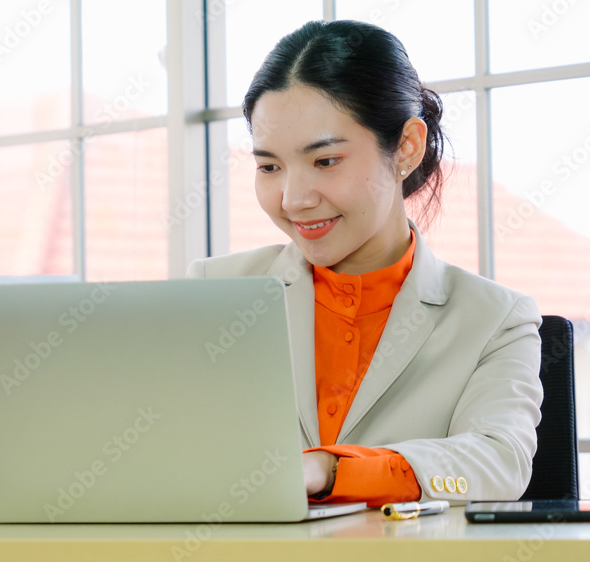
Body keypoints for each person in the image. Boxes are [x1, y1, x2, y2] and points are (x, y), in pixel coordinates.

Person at [187, 20, 542, 506]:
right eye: (269, 167)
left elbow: (498, 462)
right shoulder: (213, 292)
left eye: (325, 161)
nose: (293, 199)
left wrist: (331, 471)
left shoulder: (493, 319)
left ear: (406, 148)